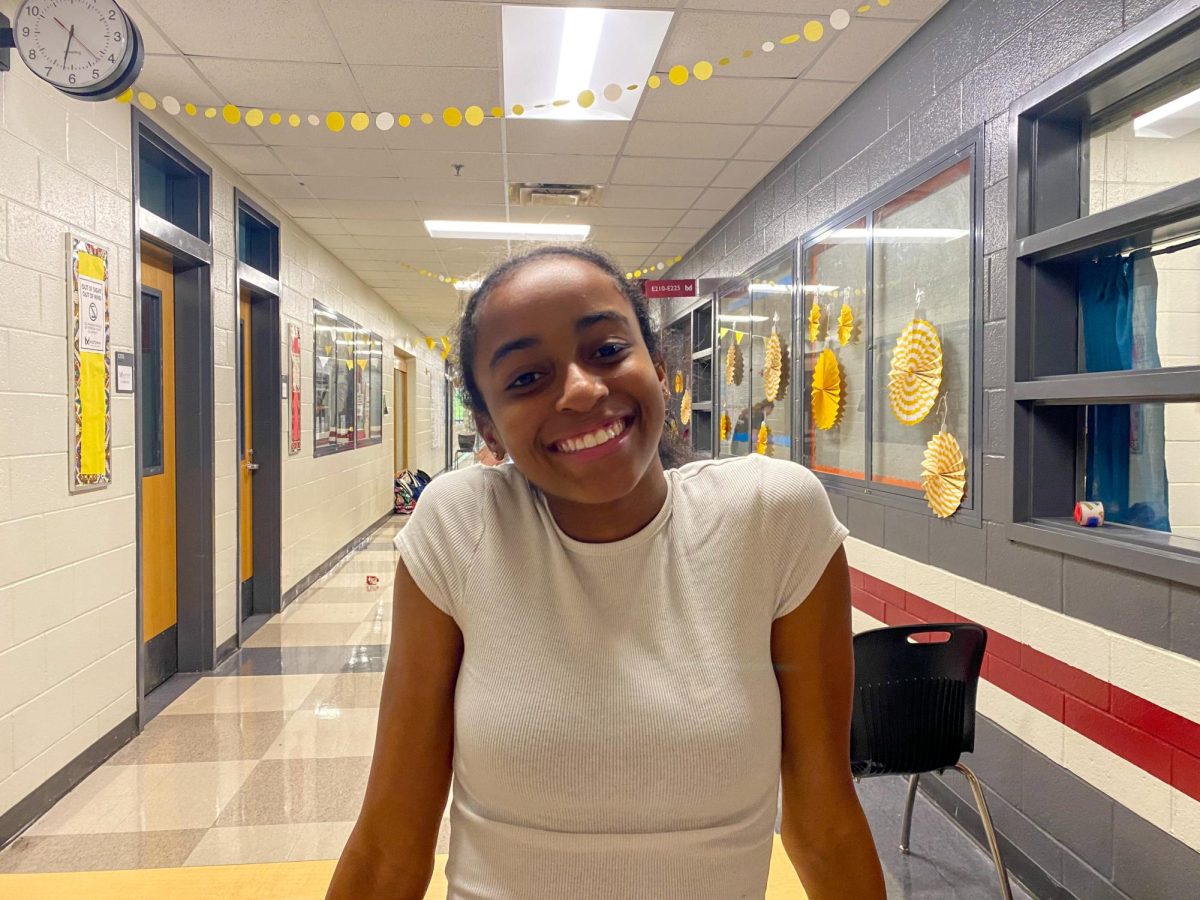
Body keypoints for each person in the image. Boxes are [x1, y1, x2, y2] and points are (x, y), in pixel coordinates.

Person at [327, 246, 886, 900]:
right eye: (527, 378)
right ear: (489, 428)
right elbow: (390, 845)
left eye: (606, 350)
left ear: (655, 363)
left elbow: (826, 824)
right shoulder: (462, 527)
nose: (583, 389)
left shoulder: (772, 519)